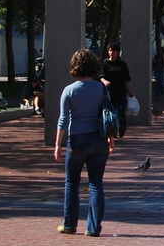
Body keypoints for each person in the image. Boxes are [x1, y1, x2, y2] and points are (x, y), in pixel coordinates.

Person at [54, 48, 114, 237]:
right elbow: (108, 115)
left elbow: (63, 120)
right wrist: (111, 139)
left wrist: (58, 144)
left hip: (77, 140)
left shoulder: (69, 90)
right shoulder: (101, 88)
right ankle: (94, 227)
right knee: (96, 183)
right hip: (99, 140)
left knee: (71, 182)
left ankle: (69, 224)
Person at [99, 43, 134, 138]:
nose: (111, 52)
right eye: (110, 50)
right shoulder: (105, 64)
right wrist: (105, 81)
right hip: (109, 93)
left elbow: (126, 79)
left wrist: (129, 91)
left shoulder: (122, 65)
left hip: (120, 92)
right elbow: (101, 76)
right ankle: (113, 130)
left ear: (117, 52)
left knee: (120, 112)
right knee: (111, 112)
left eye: (114, 50)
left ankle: (121, 129)